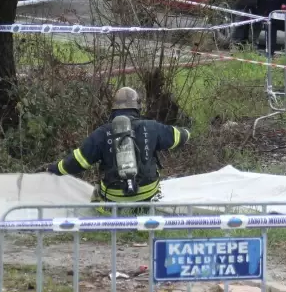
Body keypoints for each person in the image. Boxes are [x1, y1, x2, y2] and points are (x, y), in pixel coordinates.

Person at [48, 87, 189, 205]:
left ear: (114, 108)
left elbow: (79, 161)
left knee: (96, 193)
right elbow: (178, 137)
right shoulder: (151, 127)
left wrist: (55, 168)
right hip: (147, 194)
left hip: (115, 197)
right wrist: (187, 132)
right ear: (137, 108)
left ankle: (107, 215)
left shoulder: (102, 133)